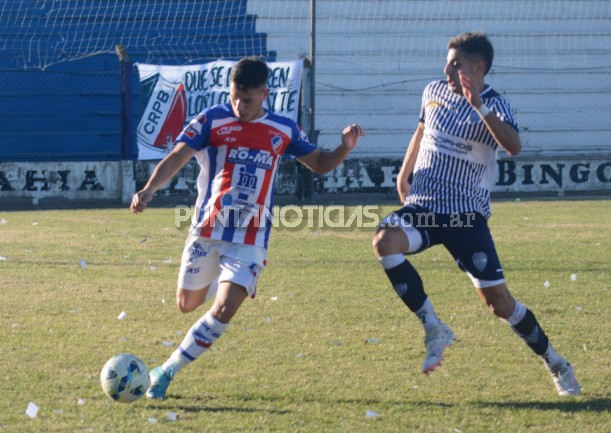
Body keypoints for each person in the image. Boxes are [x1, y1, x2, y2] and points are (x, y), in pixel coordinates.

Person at [131, 56, 365, 399]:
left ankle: (166, 372)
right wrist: (149, 188)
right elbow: (177, 157)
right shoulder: (211, 120)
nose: (240, 105)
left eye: (249, 99)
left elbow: (319, 164)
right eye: (235, 97)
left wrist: (344, 148)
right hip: (207, 232)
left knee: (225, 308)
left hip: (250, 240)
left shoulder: (283, 129)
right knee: (186, 304)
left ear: (265, 93)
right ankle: (225, 282)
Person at [372, 32, 580, 396]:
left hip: (465, 218)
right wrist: (403, 174)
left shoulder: (496, 105)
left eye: (455, 64)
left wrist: (478, 105)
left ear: (478, 68)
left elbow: (514, 146)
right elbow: (421, 131)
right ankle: (435, 328)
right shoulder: (433, 91)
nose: (446, 69)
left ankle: (555, 362)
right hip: (424, 206)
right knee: (385, 241)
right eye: (448, 62)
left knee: (499, 305)